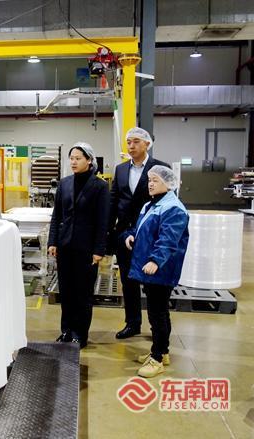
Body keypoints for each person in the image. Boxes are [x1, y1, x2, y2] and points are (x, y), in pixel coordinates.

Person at [122, 165, 189, 378]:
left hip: (162, 269)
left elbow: (168, 240)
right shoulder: (151, 204)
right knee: (157, 311)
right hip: (151, 268)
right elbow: (142, 227)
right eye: (149, 180)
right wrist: (131, 235)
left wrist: (155, 260)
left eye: (155, 180)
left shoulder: (173, 208)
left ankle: (157, 358)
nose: (150, 184)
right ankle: (163, 351)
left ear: (168, 184)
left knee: (157, 314)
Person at [108, 127, 170, 339]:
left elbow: (166, 201)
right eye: (129, 142)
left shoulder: (160, 168)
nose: (131, 146)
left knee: (152, 284)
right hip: (124, 235)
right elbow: (114, 201)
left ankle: (157, 328)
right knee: (128, 282)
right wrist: (110, 233)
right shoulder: (120, 169)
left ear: (147, 144)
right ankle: (132, 323)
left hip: (149, 234)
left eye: (136, 142)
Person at [48, 142, 110, 348]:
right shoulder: (64, 184)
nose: (73, 162)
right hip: (65, 246)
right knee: (66, 292)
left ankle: (79, 334)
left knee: (83, 293)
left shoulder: (100, 186)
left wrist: (99, 249)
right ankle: (66, 331)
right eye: (71, 158)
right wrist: (53, 241)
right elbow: (57, 216)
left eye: (78, 158)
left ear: (89, 160)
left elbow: (103, 221)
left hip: (87, 249)